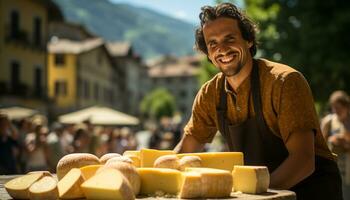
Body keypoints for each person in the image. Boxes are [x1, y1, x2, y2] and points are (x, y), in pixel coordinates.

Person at [174, 3, 342, 200]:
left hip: (311, 190)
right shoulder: (210, 94)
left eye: (230, 38)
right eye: (213, 43)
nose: (222, 49)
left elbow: (303, 161)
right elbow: (184, 151)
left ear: (249, 40)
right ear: (208, 54)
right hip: (258, 194)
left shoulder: (284, 82)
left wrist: (254, 195)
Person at [321, 90, 350, 199]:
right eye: (334, 107)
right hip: (334, 168)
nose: (335, 111)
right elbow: (321, 145)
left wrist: (346, 144)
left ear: (346, 106)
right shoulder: (328, 122)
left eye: (338, 108)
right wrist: (332, 141)